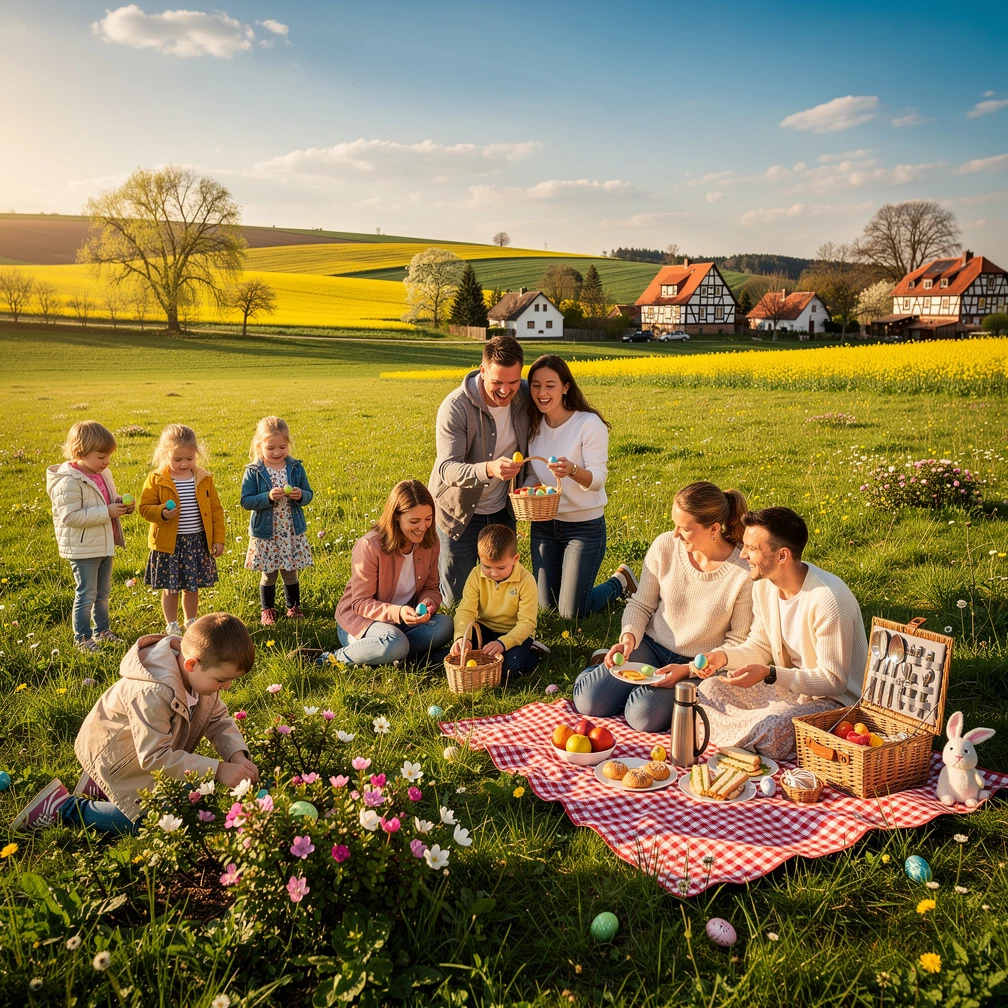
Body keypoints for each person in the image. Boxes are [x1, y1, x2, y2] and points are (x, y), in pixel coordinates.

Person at [13, 612, 258, 835]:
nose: (227, 687)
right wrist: (217, 770)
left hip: (136, 752)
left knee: (189, 799)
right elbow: (154, 756)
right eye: (222, 680)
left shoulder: (202, 680)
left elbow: (217, 719)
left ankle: (101, 785)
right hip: (118, 756)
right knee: (155, 822)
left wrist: (236, 755)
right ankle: (64, 808)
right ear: (191, 664)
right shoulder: (152, 692)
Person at [572, 481, 753, 732]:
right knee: (589, 701)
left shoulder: (742, 572)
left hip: (698, 667)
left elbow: (737, 641)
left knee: (642, 717)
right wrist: (628, 638)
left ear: (713, 529)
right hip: (652, 646)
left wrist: (689, 669)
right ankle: (603, 670)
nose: (676, 534)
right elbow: (641, 604)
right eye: (674, 525)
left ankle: (633, 686)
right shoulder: (666, 545)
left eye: (684, 529)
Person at [694, 506, 869, 761]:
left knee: (773, 728)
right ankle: (747, 733)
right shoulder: (765, 586)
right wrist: (721, 657)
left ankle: (722, 731)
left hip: (835, 703)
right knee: (708, 689)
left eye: (752, 549)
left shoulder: (828, 599)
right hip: (790, 691)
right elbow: (759, 646)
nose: (742, 555)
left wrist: (770, 674)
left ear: (782, 555)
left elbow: (834, 681)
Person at [525, 354, 636, 617]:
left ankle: (620, 582)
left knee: (571, 613)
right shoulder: (532, 425)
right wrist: (527, 491)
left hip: (584, 528)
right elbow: (532, 474)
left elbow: (598, 480)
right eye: (536, 385)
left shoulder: (588, 424)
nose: (542, 392)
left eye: (550, 385)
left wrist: (572, 470)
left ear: (565, 387)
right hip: (544, 525)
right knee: (546, 608)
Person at [429, 335, 530, 607]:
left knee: (499, 597)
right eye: (497, 382)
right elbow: (446, 469)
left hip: (501, 511)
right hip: (458, 514)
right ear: (482, 370)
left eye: (513, 382)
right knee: (456, 602)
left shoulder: (525, 395)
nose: (505, 391)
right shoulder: (456, 407)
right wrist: (489, 468)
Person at [308, 480, 453, 667]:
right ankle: (329, 659)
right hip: (362, 621)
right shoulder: (370, 546)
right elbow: (360, 603)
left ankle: (394, 655)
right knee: (395, 643)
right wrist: (399, 612)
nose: (423, 527)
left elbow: (431, 588)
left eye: (428, 519)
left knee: (445, 625)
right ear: (396, 518)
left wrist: (428, 603)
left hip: (403, 622)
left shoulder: (430, 542)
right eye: (414, 521)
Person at [46, 421, 135, 652]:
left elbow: (105, 502)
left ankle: (102, 631)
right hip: (83, 548)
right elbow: (70, 516)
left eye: (109, 457)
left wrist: (119, 506)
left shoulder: (102, 473)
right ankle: (83, 638)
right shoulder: (68, 481)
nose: (106, 462)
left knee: (103, 593)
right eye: (101, 457)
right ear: (80, 453)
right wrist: (106, 512)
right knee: (87, 594)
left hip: (104, 543)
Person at [139, 424, 225, 635]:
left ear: (197, 454)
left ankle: (191, 621)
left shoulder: (203, 478)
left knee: (191, 586)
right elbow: (144, 508)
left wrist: (218, 539)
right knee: (171, 587)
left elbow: (215, 510)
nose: (184, 464)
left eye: (190, 458)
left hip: (196, 541)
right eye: (177, 460)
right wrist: (160, 512)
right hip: (169, 544)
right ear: (165, 454)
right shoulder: (157, 479)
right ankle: (172, 624)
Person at [241, 416, 314, 625]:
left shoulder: (295, 468)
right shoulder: (254, 471)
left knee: (291, 571)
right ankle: (268, 610)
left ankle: (293, 607)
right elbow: (246, 500)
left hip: (290, 529)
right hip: (267, 532)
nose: (277, 452)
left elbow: (309, 494)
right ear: (260, 446)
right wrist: (267, 497)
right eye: (270, 447)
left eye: (282, 446)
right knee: (269, 573)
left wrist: (301, 495)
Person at [441, 523, 539, 677]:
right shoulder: (476, 574)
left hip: (513, 632)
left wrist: (503, 643)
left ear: (516, 559)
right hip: (483, 629)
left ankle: (533, 652)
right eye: (487, 566)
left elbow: (527, 622)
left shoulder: (526, 581)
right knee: (454, 657)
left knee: (510, 669)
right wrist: (462, 637)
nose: (493, 573)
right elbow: (466, 610)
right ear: (479, 557)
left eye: (501, 568)